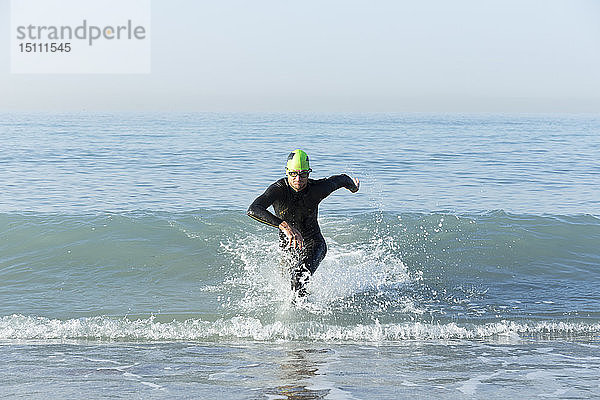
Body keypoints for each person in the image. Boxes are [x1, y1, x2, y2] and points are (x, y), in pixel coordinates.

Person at [247, 149, 360, 296]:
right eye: (293, 174)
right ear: (287, 172)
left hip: (315, 243)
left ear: (309, 173)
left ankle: (302, 314)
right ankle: (302, 304)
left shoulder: (317, 189)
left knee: (298, 278)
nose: (298, 179)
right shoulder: (278, 190)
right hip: (289, 247)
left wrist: (353, 188)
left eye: (303, 174)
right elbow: (253, 209)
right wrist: (284, 225)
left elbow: (342, 179)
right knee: (288, 283)